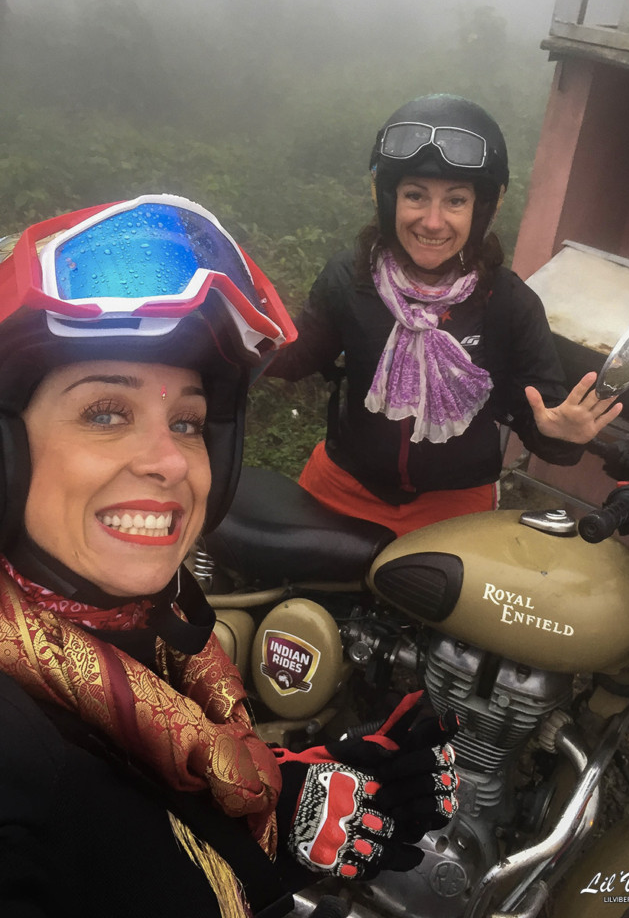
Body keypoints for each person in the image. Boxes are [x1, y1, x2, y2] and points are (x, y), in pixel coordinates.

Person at [0, 195, 459, 918]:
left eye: (187, 422)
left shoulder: (152, 647)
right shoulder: (19, 762)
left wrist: (293, 810)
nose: (169, 461)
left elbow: (149, 824)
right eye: (106, 413)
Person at [267, 94, 622, 536]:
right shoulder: (351, 278)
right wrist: (238, 327)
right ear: (389, 199)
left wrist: (560, 436)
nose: (433, 222)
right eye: (415, 195)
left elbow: (540, 419)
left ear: (481, 210)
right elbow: (296, 356)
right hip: (345, 481)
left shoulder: (508, 302)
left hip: (455, 500)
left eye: (455, 201)